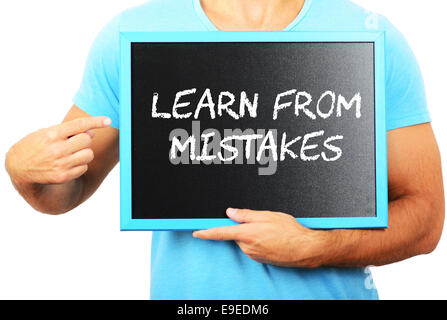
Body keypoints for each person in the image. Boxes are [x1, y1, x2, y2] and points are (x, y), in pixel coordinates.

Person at [5, 0, 444, 300]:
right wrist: (23, 170)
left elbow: (425, 219)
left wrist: (317, 247)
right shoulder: (135, 34)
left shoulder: (367, 34)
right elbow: (66, 191)